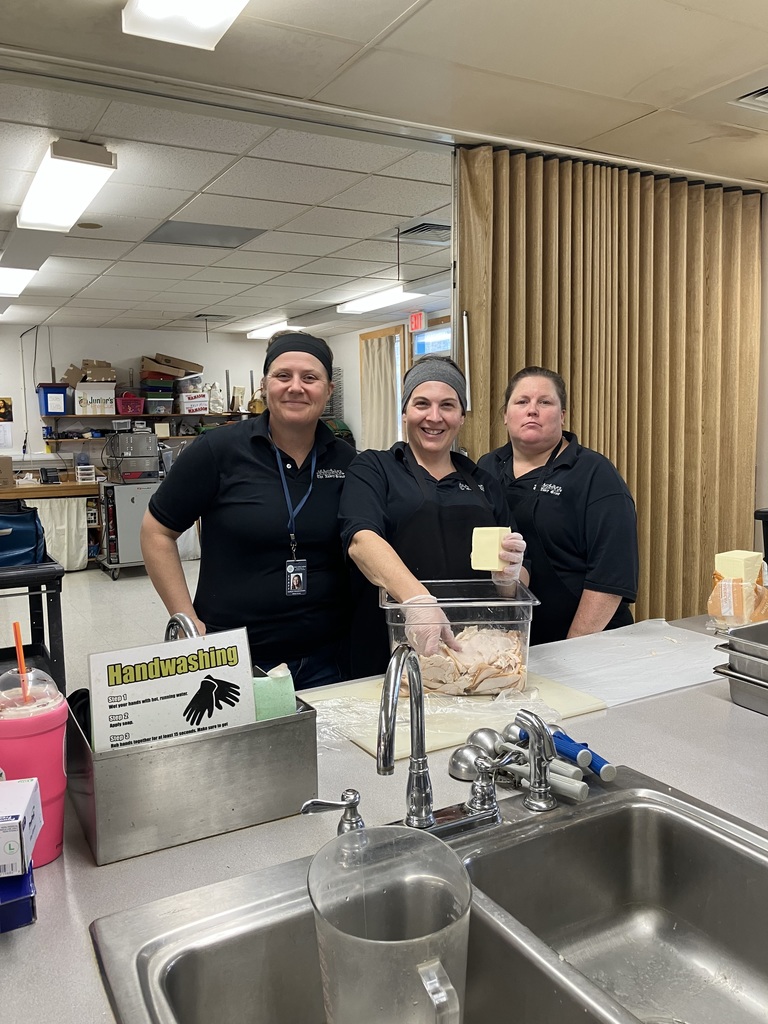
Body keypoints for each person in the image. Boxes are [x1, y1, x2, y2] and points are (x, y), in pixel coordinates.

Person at [140, 331, 356, 688]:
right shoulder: (218, 450)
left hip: (326, 658)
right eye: (283, 376)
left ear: (329, 390)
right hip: (231, 657)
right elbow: (157, 531)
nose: (296, 387)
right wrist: (188, 622)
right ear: (264, 385)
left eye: (310, 378)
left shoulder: (347, 460)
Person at [339, 356, 527, 674]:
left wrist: (509, 576)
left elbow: (517, 583)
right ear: (405, 411)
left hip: (472, 655)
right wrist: (417, 601)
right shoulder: (375, 468)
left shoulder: (483, 482)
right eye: (422, 403)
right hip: (390, 651)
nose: (434, 417)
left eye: (448, 405)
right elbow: (361, 540)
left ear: (462, 416)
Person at [478, 366, 638, 645]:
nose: (532, 410)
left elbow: (609, 578)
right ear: (506, 415)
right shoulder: (486, 468)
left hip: (589, 642)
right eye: (522, 401)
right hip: (515, 641)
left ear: (562, 416)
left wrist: (573, 648)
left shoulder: (594, 474)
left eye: (545, 402)